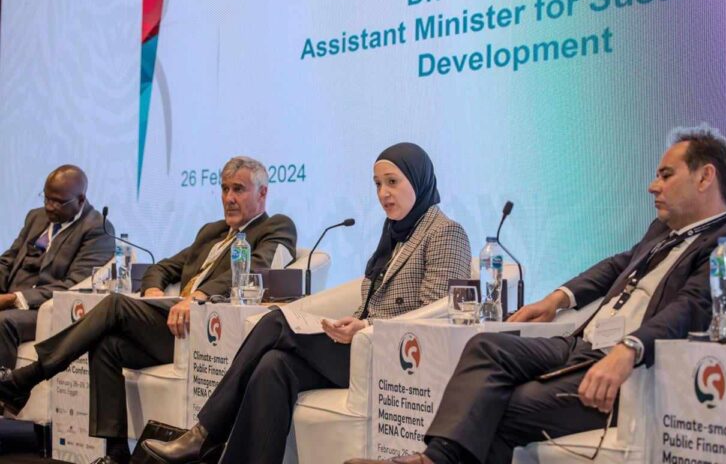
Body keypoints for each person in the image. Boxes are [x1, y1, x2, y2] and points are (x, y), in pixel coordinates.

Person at [347, 125, 726, 464]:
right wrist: (557, 299)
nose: (653, 186)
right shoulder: (662, 231)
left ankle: (432, 461)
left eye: (666, 175)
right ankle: (433, 460)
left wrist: (630, 348)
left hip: (628, 367)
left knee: (502, 405)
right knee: (487, 346)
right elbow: (616, 267)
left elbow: (693, 307)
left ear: (705, 177)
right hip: (582, 345)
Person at [142, 142, 472, 464]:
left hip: (392, 355)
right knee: (273, 366)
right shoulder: (396, 233)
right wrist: (354, 322)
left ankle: (204, 433)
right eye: (377, 184)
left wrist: (367, 325)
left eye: (392, 182)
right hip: (360, 341)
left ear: (418, 179)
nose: (383, 193)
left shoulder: (445, 232)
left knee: (275, 322)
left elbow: (433, 316)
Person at [0, 156, 297, 464]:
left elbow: (258, 268)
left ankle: (28, 377)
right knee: (106, 344)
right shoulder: (212, 232)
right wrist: (153, 290)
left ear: (262, 193)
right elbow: (162, 267)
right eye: (224, 189)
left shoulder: (276, 227)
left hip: (210, 325)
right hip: (173, 322)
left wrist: (199, 296)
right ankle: (116, 454)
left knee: (114, 304)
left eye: (239, 189)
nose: (229, 198)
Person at [0, 165, 113, 370]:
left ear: (80, 199)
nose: (49, 207)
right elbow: (8, 260)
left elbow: (74, 285)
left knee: (2, 321)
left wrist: (14, 298)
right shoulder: (36, 217)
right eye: (46, 199)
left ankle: (5, 388)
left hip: (43, 309)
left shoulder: (97, 229)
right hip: (9, 297)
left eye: (58, 202)